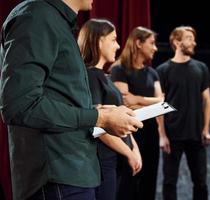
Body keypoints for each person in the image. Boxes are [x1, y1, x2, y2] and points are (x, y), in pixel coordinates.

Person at [0, 1, 143, 199]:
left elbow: (58, 98)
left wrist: (99, 111)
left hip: (72, 174)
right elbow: (19, 105)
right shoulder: (38, 17)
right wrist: (99, 117)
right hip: (58, 178)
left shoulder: (53, 20)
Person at [77, 18, 142, 200]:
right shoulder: (90, 76)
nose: (118, 45)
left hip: (115, 159)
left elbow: (120, 116)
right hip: (103, 161)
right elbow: (99, 123)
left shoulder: (104, 76)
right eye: (113, 40)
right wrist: (129, 152)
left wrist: (134, 147)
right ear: (98, 41)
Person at [156, 26, 210, 200]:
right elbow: (160, 104)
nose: (194, 42)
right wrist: (162, 135)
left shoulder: (201, 68)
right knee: (169, 182)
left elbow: (207, 100)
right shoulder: (163, 70)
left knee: (201, 181)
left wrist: (206, 129)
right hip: (172, 136)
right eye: (189, 38)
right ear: (177, 42)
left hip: (196, 135)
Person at [111, 26, 165, 200]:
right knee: (128, 180)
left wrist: (138, 100)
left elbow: (162, 101)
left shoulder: (153, 73)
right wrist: (152, 103)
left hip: (150, 133)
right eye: (152, 43)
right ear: (138, 43)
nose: (155, 48)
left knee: (149, 181)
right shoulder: (119, 70)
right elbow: (124, 103)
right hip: (130, 133)